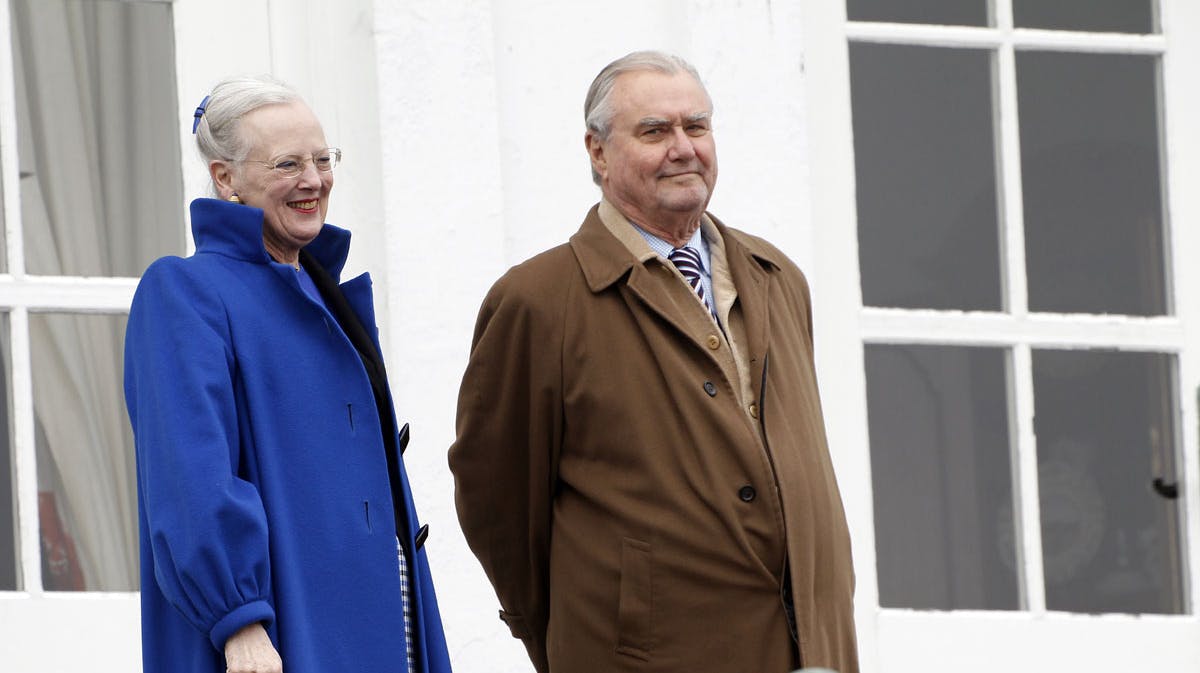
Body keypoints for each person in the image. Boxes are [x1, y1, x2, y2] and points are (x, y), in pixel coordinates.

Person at [449, 51, 859, 673]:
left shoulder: (777, 278)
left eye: (696, 127)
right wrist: (574, 634)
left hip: (811, 651)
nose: (683, 148)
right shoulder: (538, 301)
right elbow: (499, 507)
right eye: (654, 131)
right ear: (598, 152)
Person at [124, 75, 451, 673]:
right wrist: (239, 620)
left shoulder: (325, 292)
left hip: (386, 627)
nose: (314, 180)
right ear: (225, 178)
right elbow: (191, 478)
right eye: (287, 163)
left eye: (323, 159)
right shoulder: (185, 292)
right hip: (275, 635)